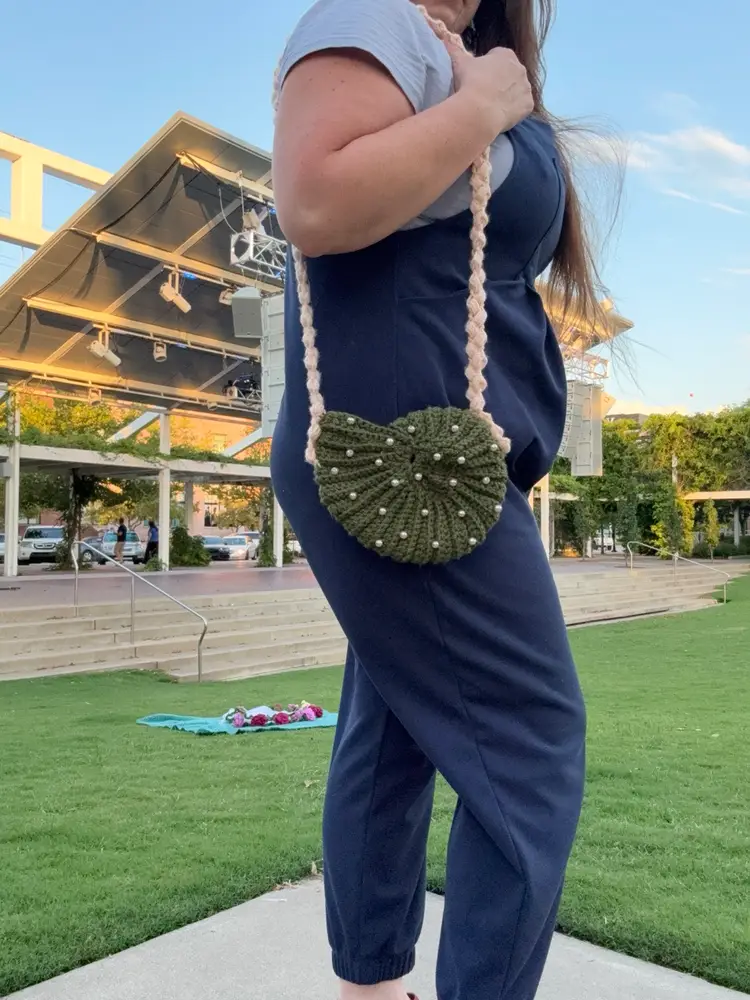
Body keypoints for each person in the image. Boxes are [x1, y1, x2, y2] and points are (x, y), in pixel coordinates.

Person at [271, 1, 604, 997]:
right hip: (406, 465)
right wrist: (487, 106)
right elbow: (315, 199)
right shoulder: (375, 19)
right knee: (531, 740)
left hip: (428, 456)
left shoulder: (449, 47)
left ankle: (372, 984)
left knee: (392, 724)